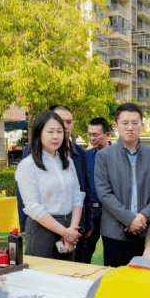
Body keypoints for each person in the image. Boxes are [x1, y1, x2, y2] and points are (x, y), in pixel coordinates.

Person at [16, 105, 93, 262]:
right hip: (42, 228)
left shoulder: (68, 162)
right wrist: (65, 232)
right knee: (43, 278)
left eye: (60, 132)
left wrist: (72, 229)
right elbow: (32, 207)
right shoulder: (28, 165)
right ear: (39, 134)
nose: (56, 136)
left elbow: (77, 196)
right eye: (50, 132)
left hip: (70, 224)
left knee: (67, 276)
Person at [94, 103, 150, 267]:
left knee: (144, 282)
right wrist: (130, 219)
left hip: (146, 231)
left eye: (135, 123)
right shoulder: (104, 156)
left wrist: (143, 216)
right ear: (116, 126)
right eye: (125, 123)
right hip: (115, 233)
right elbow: (104, 193)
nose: (130, 127)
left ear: (142, 126)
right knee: (116, 283)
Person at [83, 116, 112, 263]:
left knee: (112, 252)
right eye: (89, 134)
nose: (91, 138)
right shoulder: (85, 156)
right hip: (92, 212)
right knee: (84, 252)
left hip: (112, 212)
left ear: (108, 134)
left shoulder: (119, 155)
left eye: (95, 135)